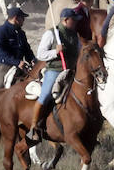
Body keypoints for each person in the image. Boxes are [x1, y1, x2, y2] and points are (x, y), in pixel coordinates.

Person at [25, 8, 83, 143]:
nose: (75, 23)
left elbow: (79, 52)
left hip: (71, 71)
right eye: (73, 21)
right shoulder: (52, 34)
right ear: (65, 20)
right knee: (45, 95)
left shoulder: (75, 35)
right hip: (55, 70)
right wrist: (55, 52)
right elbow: (40, 54)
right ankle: (33, 127)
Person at [0, 6, 33, 92]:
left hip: (20, 66)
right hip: (3, 65)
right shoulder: (0, 31)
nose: (24, 20)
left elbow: (27, 50)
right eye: (22, 18)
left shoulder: (21, 33)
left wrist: (33, 60)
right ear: (16, 18)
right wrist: (17, 62)